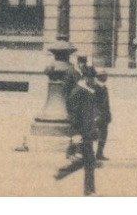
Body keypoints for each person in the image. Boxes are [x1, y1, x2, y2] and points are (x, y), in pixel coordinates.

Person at [55, 66, 102, 195]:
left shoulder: (88, 91)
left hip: (87, 132)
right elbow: (73, 114)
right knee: (87, 160)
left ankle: (89, 190)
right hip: (81, 132)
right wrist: (76, 133)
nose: (94, 81)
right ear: (87, 78)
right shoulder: (78, 92)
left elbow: (91, 114)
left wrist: (94, 129)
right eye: (92, 78)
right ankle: (61, 174)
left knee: (88, 161)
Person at [92, 70, 113, 161]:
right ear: (99, 77)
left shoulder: (104, 88)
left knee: (103, 135)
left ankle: (99, 153)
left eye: (106, 75)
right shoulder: (95, 88)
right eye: (104, 76)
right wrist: (96, 115)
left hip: (104, 116)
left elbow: (106, 103)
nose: (106, 77)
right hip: (97, 116)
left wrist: (108, 114)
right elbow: (94, 103)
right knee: (93, 135)